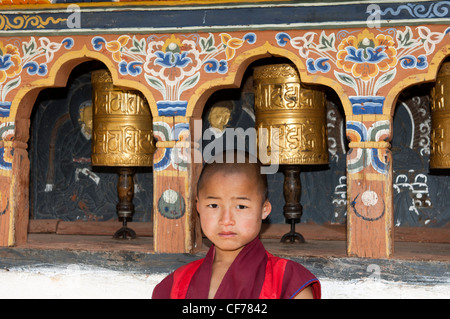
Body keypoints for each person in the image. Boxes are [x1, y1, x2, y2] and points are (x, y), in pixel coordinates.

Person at [152, 151, 321, 299]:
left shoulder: (287, 282)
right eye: (213, 205)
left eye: (241, 206)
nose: (226, 220)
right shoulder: (175, 285)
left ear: (264, 209)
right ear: (198, 207)